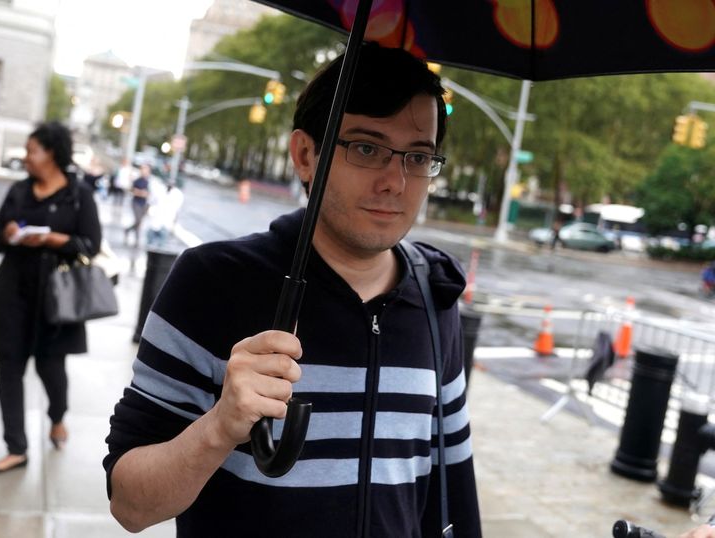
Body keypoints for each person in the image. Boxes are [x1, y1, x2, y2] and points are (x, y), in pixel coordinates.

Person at [104, 43, 481, 537]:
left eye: (417, 156)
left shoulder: (435, 298)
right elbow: (131, 505)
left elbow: (453, 490)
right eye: (367, 148)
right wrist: (220, 426)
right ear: (306, 155)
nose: (396, 181)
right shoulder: (212, 283)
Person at [0, 121, 102, 475]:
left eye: (32, 150)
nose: (26, 157)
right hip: (12, 293)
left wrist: (52, 240)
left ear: (52, 154)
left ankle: (57, 417)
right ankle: (16, 448)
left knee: (52, 370)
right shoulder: (19, 191)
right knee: (8, 369)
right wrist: (8, 233)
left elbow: (91, 245)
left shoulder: (79, 195)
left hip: (56, 299)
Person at [146, 179, 184, 247]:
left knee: (162, 243)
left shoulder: (178, 194)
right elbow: (151, 202)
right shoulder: (160, 191)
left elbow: (178, 211)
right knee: (149, 241)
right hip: (155, 219)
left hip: (167, 222)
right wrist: (149, 213)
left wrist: (174, 225)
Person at [124, 163, 151, 246]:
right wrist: (141, 193)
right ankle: (136, 239)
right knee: (138, 220)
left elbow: (149, 194)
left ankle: (128, 231)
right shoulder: (137, 181)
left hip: (144, 204)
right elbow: (133, 191)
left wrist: (142, 193)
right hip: (136, 203)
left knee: (139, 223)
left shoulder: (148, 182)